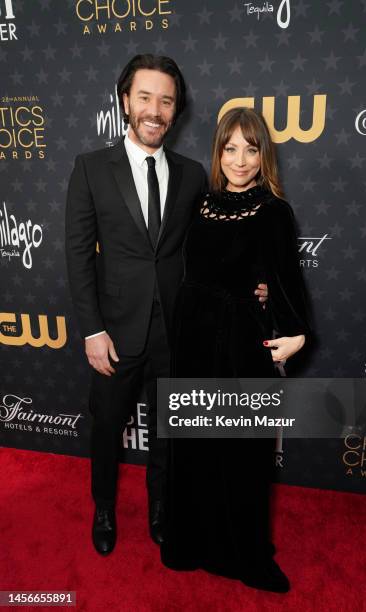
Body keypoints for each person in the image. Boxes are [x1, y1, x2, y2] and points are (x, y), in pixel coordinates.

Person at [65, 54, 268, 555]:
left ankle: (162, 509)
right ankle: (105, 511)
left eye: (167, 100)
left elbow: (214, 249)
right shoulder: (90, 168)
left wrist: (256, 283)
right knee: (107, 428)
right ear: (125, 102)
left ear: (176, 111)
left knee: (168, 433)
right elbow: (77, 255)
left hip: (180, 333)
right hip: (114, 333)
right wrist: (92, 330)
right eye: (145, 97)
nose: (155, 110)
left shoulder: (194, 174)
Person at [160, 107, 312, 592]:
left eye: (251, 149)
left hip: (239, 346)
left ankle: (246, 555)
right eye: (231, 148)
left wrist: (298, 333)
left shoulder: (273, 211)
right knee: (193, 449)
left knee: (241, 456)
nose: (240, 160)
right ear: (218, 151)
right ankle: (191, 541)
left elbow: (287, 283)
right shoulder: (200, 204)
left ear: (262, 154)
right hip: (192, 343)